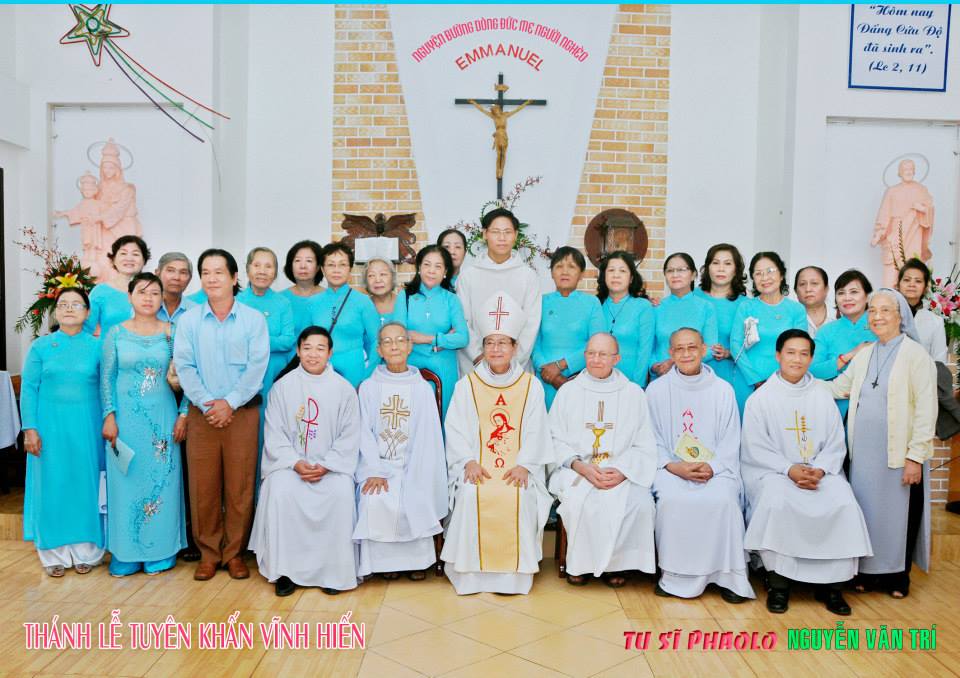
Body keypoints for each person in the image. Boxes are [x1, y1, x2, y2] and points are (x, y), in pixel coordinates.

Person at [741, 329, 872, 615]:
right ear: (778, 355)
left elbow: (836, 442)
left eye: (804, 354)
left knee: (843, 502)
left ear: (811, 358)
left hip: (819, 472)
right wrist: (789, 469)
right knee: (777, 502)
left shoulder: (822, 396)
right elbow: (755, 447)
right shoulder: (760, 399)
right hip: (775, 473)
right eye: (790, 353)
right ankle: (779, 585)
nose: (797, 359)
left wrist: (820, 469)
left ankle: (833, 587)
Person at [441, 291, 552, 595]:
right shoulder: (467, 386)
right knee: (470, 492)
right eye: (490, 342)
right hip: (477, 465)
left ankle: (513, 579)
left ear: (515, 348)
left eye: (503, 343)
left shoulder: (530, 386)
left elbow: (537, 431)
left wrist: (526, 465)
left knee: (519, 494)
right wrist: (468, 461)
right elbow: (455, 429)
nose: (496, 349)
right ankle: (471, 577)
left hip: (518, 467)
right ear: (483, 347)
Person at [830, 289, 936, 599]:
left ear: (901, 316)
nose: (877, 316)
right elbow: (838, 387)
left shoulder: (916, 355)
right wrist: (796, 384)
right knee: (866, 513)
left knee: (899, 516)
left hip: (899, 454)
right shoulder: (865, 354)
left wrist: (915, 457)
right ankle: (865, 574)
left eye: (885, 310)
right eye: (872, 310)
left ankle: (898, 578)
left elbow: (926, 410)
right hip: (864, 454)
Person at [173, 249, 269, 581]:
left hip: (242, 413)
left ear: (234, 278)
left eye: (219, 272)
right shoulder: (189, 321)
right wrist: (207, 403)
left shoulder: (253, 320)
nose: (212, 278)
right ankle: (209, 553)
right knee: (204, 487)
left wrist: (230, 402)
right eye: (206, 272)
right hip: (202, 414)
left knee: (240, 486)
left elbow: (257, 367)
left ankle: (235, 553)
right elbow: (184, 366)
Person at [250, 327, 361, 596]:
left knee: (340, 493)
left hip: (331, 467)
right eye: (307, 348)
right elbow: (274, 434)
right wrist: (295, 462)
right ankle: (285, 571)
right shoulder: (282, 387)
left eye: (320, 349)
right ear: (298, 351)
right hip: (291, 465)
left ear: (330, 353)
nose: (313, 354)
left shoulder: (344, 390)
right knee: (280, 490)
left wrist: (327, 465)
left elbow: (349, 435)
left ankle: (334, 572)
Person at [648, 328, 754, 602]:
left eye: (692, 347)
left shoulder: (722, 390)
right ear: (670, 353)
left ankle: (728, 577)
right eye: (679, 349)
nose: (686, 354)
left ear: (703, 350)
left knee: (724, 500)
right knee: (672, 500)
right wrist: (673, 466)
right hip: (671, 469)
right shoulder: (656, 390)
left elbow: (731, 438)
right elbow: (650, 437)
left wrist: (713, 467)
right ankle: (675, 577)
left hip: (715, 470)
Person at [548, 333, 657, 587]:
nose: (596, 359)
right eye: (591, 353)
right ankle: (580, 564)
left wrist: (622, 471)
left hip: (620, 469)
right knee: (580, 500)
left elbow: (644, 443)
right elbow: (553, 438)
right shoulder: (568, 392)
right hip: (577, 468)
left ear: (616, 359)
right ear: (585, 355)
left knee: (639, 502)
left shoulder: (633, 394)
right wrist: (581, 467)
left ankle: (616, 565)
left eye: (603, 354)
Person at [100, 273, 187, 576]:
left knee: (162, 482)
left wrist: (184, 413)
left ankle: (160, 551)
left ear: (162, 298)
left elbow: (188, 375)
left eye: (154, 293)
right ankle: (126, 552)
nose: (148, 298)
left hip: (163, 420)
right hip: (124, 422)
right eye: (141, 292)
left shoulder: (172, 332)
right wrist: (109, 415)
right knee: (125, 483)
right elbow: (107, 378)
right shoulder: (115, 333)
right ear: (130, 296)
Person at [22, 288, 105, 577]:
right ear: (56, 311)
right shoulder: (41, 347)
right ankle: (53, 553)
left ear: (87, 312)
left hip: (88, 426)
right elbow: (29, 389)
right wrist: (30, 428)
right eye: (63, 304)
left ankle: (87, 551)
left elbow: (106, 388)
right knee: (52, 485)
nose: (69, 309)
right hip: (49, 428)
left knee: (85, 484)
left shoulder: (98, 346)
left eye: (76, 304)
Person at [354, 323, 448, 581]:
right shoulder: (369, 387)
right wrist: (374, 470)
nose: (394, 346)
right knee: (375, 498)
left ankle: (417, 562)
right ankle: (384, 564)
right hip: (379, 466)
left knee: (416, 495)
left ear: (409, 346)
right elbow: (362, 433)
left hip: (414, 464)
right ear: (379, 350)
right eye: (387, 342)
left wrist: (413, 473)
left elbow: (428, 438)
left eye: (399, 340)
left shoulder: (422, 389)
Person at [237, 247, 296, 494]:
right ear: (247, 269)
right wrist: (268, 341)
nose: (262, 271)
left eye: (268, 266)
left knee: (270, 436)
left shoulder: (283, 303)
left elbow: (288, 340)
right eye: (257, 265)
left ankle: (268, 497)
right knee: (245, 441)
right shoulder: (237, 301)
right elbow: (233, 341)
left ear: (276, 272)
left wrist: (254, 339)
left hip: (274, 377)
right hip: (242, 378)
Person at [455, 208, 541, 373]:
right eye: (495, 232)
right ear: (484, 234)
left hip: (516, 366)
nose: (502, 238)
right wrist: (478, 356)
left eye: (507, 232)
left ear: (516, 235)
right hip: (476, 364)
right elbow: (463, 321)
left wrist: (513, 360)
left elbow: (531, 324)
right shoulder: (468, 276)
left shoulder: (528, 276)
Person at [392, 245, 468, 419]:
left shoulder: (451, 299)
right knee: (410, 419)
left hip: (443, 366)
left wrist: (430, 339)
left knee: (443, 419)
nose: (431, 271)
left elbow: (463, 338)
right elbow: (399, 335)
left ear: (445, 272)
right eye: (427, 264)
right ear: (419, 267)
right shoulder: (405, 297)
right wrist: (445, 339)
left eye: (438, 266)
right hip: (409, 366)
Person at [533, 247, 607, 409]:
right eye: (559, 266)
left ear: (581, 274)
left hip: (579, 379)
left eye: (571, 267)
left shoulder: (592, 303)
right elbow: (533, 343)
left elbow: (598, 345)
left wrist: (561, 365)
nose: (564, 272)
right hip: (544, 380)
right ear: (552, 273)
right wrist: (548, 372)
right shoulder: (540, 302)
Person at [308, 242, 381, 388]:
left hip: (354, 373)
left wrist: (367, 376)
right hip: (318, 371)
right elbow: (305, 341)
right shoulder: (312, 302)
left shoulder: (363, 302)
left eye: (342, 264)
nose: (336, 270)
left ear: (350, 269)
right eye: (331, 265)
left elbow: (377, 341)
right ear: (322, 269)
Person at [730, 251, 807, 389]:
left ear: (781, 275)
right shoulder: (746, 307)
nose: (765, 277)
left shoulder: (796, 309)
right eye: (758, 273)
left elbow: (801, 349)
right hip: (748, 381)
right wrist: (755, 380)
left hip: (785, 382)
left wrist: (783, 380)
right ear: (753, 278)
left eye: (770, 271)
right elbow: (736, 346)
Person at [810, 269, 876, 419]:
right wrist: (850, 355)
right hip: (833, 407)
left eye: (854, 292)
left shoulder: (880, 326)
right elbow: (813, 370)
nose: (847, 298)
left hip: (874, 406)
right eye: (841, 293)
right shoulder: (826, 331)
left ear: (867, 297)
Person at [694, 243, 752, 412]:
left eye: (727, 263)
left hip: (732, 374)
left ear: (736, 270)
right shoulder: (692, 297)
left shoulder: (746, 305)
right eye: (715, 263)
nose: (721, 269)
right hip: (694, 373)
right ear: (707, 267)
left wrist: (729, 352)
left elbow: (753, 346)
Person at [651, 253, 718, 379]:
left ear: (693, 275)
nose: (675, 274)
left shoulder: (706, 307)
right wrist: (654, 366)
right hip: (661, 376)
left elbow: (710, 348)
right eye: (670, 270)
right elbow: (649, 346)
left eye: (681, 270)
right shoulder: (656, 307)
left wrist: (674, 362)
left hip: (695, 377)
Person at [872, 158, 934, 287]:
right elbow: (884, 213)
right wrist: (879, 232)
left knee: (912, 266)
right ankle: (889, 294)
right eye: (905, 169)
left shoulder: (921, 189)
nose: (908, 172)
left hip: (914, 232)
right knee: (892, 267)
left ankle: (912, 295)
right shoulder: (892, 191)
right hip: (895, 232)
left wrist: (922, 209)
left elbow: (929, 209)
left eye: (911, 169)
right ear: (900, 172)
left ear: (914, 171)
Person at [597, 251, 654, 387]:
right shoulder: (596, 305)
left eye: (622, 271)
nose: (616, 275)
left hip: (631, 382)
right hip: (597, 381)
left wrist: (637, 386)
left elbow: (645, 350)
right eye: (611, 270)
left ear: (631, 278)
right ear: (604, 276)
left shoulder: (643, 306)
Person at [84, 235, 150, 337]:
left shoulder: (153, 291)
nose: (129, 258)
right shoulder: (100, 291)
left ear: (144, 260)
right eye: (123, 253)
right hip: (108, 347)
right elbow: (86, 329)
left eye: (135, 254)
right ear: (113, 259)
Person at [897, 258, 947, 364]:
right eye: (907, 280)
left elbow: (940, 362)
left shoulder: (936, 322)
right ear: (898, 284)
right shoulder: (885, 316)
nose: (912, 284)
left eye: (918, 281)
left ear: (925, 288)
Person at [281, 240, 325, 347]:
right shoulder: (280, 298)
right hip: (287, 356)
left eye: (309, 261)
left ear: (318, 267)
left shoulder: (329, 297)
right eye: (297, 260)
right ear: (291, 266)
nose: (303, 266)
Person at [155, 252, 197, 324]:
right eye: (170, 271)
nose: (176, 277)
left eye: (183, 272)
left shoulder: (196, 312)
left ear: (190, 278)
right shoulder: (143, 307)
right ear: (157, 274)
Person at [795, 266, 830, 338]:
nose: (808, 289)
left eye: (814, 283)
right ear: (795, 291)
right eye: (802, 284)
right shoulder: (788, 320)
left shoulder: (841, 317)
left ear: (826, 289)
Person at [364, 257, 399, 326]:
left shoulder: (405, 303)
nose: (378, 280)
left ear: (393, 277)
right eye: (371, 275)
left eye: (383, 274)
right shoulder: (362, 305)